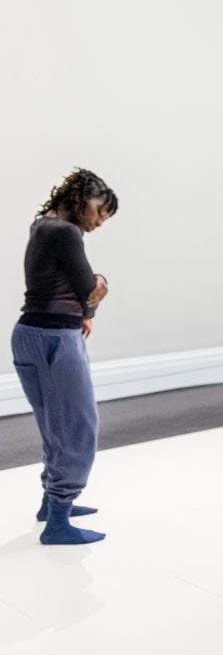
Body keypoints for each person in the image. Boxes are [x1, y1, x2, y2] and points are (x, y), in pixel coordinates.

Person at [12, 168, 118, 545]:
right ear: (83, 197)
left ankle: (51, 503)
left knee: (55, 425)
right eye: (100, 211)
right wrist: (102, 284)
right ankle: (58, 520)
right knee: (77, 427)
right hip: (56, 338)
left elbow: (74, 291)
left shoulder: (43, 225)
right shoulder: (66, 232)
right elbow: (88, 287)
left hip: (29, 335)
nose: (99, 221)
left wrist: (86, 311)